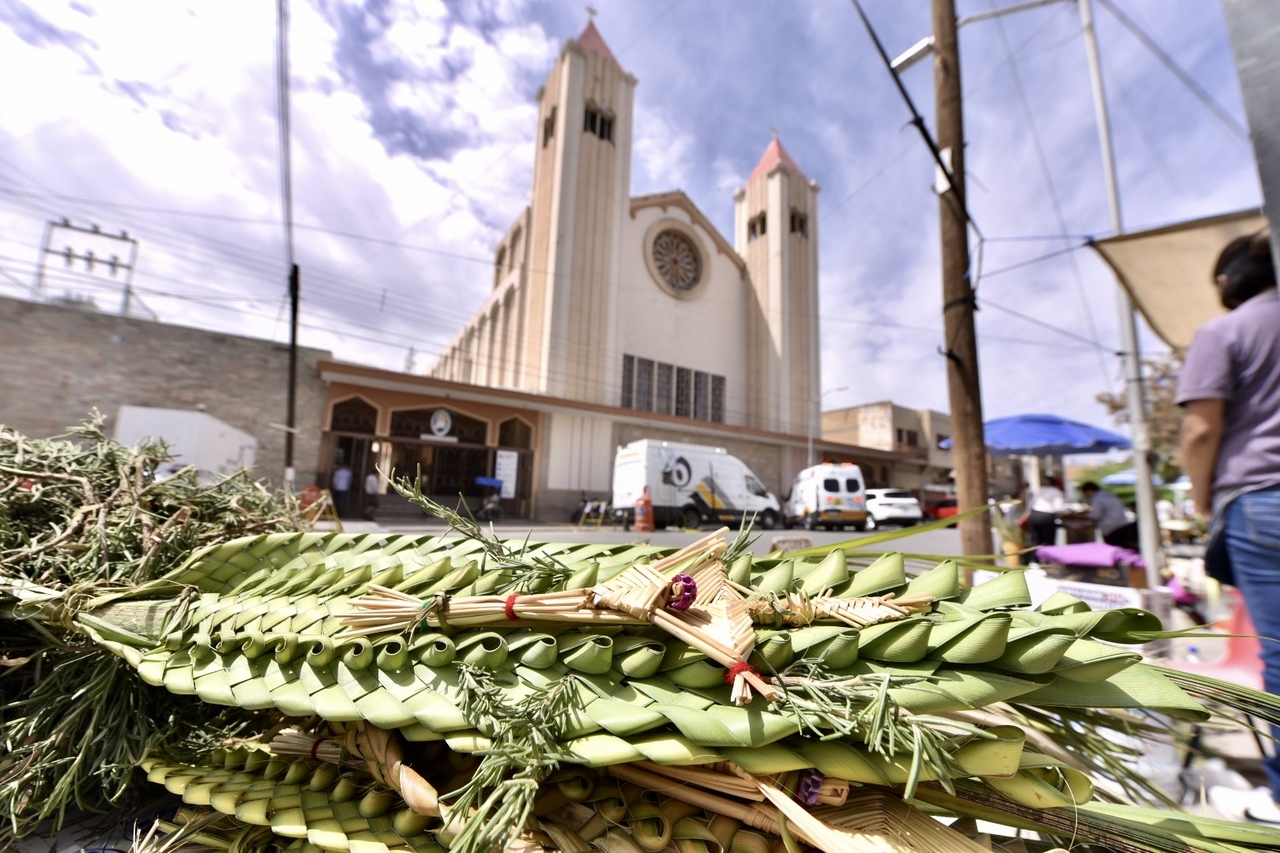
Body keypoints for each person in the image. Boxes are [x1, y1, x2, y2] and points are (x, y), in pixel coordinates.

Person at [1176, 228, 1280, 825]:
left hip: (1263, 500)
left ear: (1230, 280)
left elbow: (1200, 429)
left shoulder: (1226, 331)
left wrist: (1200, 497)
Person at [1080, 481, 1139, 551]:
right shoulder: (1110, 495)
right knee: (1125, 549)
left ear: (1089, 490)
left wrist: (1081, 516)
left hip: (1111, 528)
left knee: (1115, 550)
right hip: (1123, 524)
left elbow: (1095, 515)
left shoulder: (1097, 499)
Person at [1021, 476, 1066, 561]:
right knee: (1048, 540)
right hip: (1047, 517)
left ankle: (1035, 561)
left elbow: (1031, 505)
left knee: (1035, 540)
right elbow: (1059, 508)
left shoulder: (1040, 490)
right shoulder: (1056, 492)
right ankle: (1049, 561)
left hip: (1034, 516)